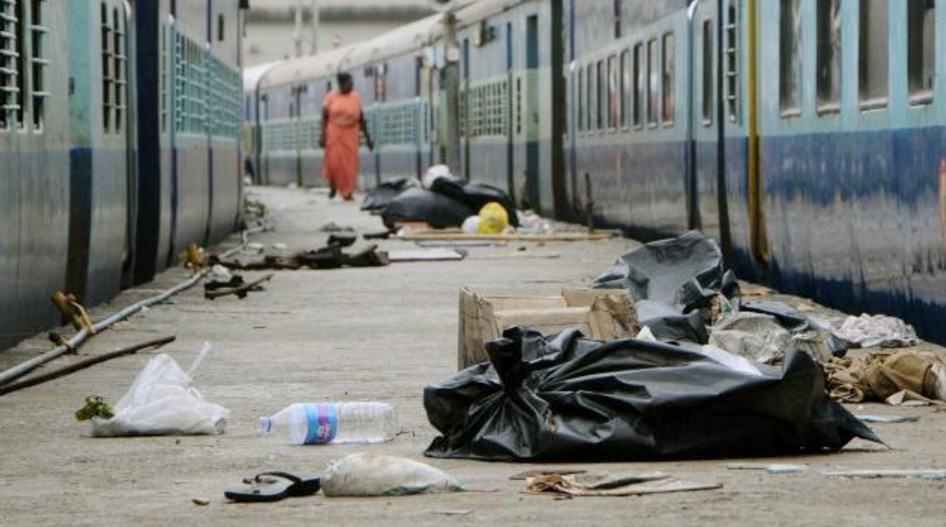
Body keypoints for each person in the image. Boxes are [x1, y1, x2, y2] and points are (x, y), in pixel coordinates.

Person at [319, 72, 373, 200]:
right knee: (333, 162)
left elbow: (361, 118)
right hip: (334, 132)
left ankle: (347, 192)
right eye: (349, 83)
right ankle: (333, 183)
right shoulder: (331, 98)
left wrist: (368, 138)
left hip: (351, 133)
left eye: (352, 82)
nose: (351, 85)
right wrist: (322, 135)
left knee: (350, 164)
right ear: (341, 84)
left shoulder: (356, 98)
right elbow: (324, 117)